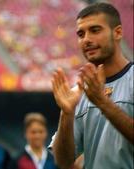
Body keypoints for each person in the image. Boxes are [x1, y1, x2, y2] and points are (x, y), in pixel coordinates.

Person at [51, 2, 133, 169]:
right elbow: (63, 162)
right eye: (81, 34)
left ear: (117, 33)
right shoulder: (79, 93)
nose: (86, 39)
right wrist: (66, 114)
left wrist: (103, 102)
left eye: (95, 30)